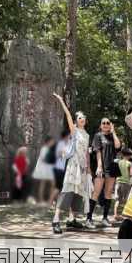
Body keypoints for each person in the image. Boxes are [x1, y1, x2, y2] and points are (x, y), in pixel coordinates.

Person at [51, 93, 92, 234]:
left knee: (78, 193)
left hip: (82, 166)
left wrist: (88, 168)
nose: (83, 120)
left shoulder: (86, 134)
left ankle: (71, 219)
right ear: (76, 120)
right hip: (73, 164)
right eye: (80, 118)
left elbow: (86, 152)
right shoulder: (74, 131)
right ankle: (56, 220)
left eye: (84, 118)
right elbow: (68, 115)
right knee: (67, 190)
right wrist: (62, 101)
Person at [86, 118, 122, 228]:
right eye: (104, 123)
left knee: (108, 193)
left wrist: (114, 132)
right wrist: (99, 167)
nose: (106, 124)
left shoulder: (112, 136)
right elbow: (98, 152)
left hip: (112, 168)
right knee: (96, 192)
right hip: (101, 168)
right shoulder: (98, 136)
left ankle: (105, 218)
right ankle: (88, 219)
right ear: (100, 125)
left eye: (108, 123)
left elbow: (117, 146)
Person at [32, 136, 56, 205]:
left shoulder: (47, 149)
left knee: (45, 184)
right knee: (49, 184)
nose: (53, 143)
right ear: (48, 142)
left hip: (46, 169)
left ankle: (47, 200)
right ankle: (45, 200)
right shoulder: (45, 149)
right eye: (52, 141)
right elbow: (43, 159)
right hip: (44, 169)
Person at [51, 129, 71, 206]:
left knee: (60, 186)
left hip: (64, 169)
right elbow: (56, 155)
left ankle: (55, 202)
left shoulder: (69, 144)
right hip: (58, 168)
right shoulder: (60, 143)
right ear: (65, 136)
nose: (70, 137)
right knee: (58, 186)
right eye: (69, 135)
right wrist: (62, 153)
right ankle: (52, 201)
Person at [114, 147, 132, 221]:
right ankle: (125, 215)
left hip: (118, 182)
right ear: (129, 155)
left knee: (117, 200)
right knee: (126, 200)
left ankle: (115, 215)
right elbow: (131, 174)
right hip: (126, 183)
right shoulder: (129, 163)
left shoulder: (118, 162)